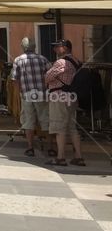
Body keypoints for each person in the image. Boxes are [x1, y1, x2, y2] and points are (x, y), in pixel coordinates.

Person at [11, 37, 54, 158]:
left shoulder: (18, 60)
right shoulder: (43, 59)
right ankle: (50, 147)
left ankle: (30, 148)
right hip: (42, 94)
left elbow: (15, 79)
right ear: (34, 47)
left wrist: (19, 94)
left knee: (28, 121)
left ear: (23, 47)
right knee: (46, 120)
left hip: (27, 95)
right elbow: (51, 75)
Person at [44, 39, 85, 167]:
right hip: (72, 97)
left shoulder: (61, 62)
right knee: (72, 128)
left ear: (65, 48)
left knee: (59, 127)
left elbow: (47, 77)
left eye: (57, 46)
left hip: (59, 96)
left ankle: (60, 157)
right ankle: (79, 157)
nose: (55, 49)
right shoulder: (77, 62)